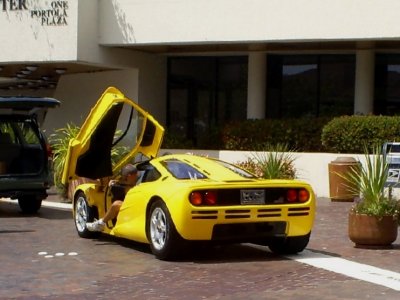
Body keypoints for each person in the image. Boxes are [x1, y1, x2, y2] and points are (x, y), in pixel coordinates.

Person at [86, 164, 139, 232]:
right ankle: (101, 223)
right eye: (136, 174)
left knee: (116, 204)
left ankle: (101, 223)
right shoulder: (125, 184)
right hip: (131, 208)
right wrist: (112, 183)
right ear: (130, 176)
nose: (137, 175)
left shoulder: (141, 184)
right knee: (116, 204)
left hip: (137, 207)